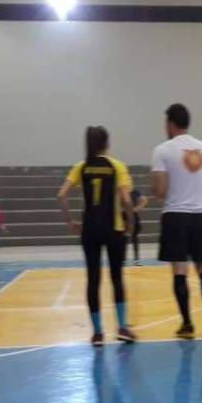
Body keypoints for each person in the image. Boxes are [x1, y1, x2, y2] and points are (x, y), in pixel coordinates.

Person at [58, 125, 138, 347]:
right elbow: (127, 200)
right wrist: (131, 223)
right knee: (116, 278)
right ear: (106, 143)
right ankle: (122, 328)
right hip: (114, 229)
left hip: (90, 230)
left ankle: (97, 333)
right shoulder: (117, 166)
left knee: (93, 280)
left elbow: (61, 195)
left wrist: (71, 222)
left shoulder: (81, 167)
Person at [152, 103, 202, 339]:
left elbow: (160, 190)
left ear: (170, 123)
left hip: (176, 214)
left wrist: (155, 188)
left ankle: (187, 325)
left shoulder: (162, 150)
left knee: (179, 271)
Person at [128, 186, 149, 264]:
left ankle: (136, 258)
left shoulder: (134, 191)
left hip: (133, 215)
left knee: (134, 236)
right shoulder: (121, 190)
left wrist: (137, 208)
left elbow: (144, 199)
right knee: (123, 237)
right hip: (124, 215)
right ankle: (123, 258)